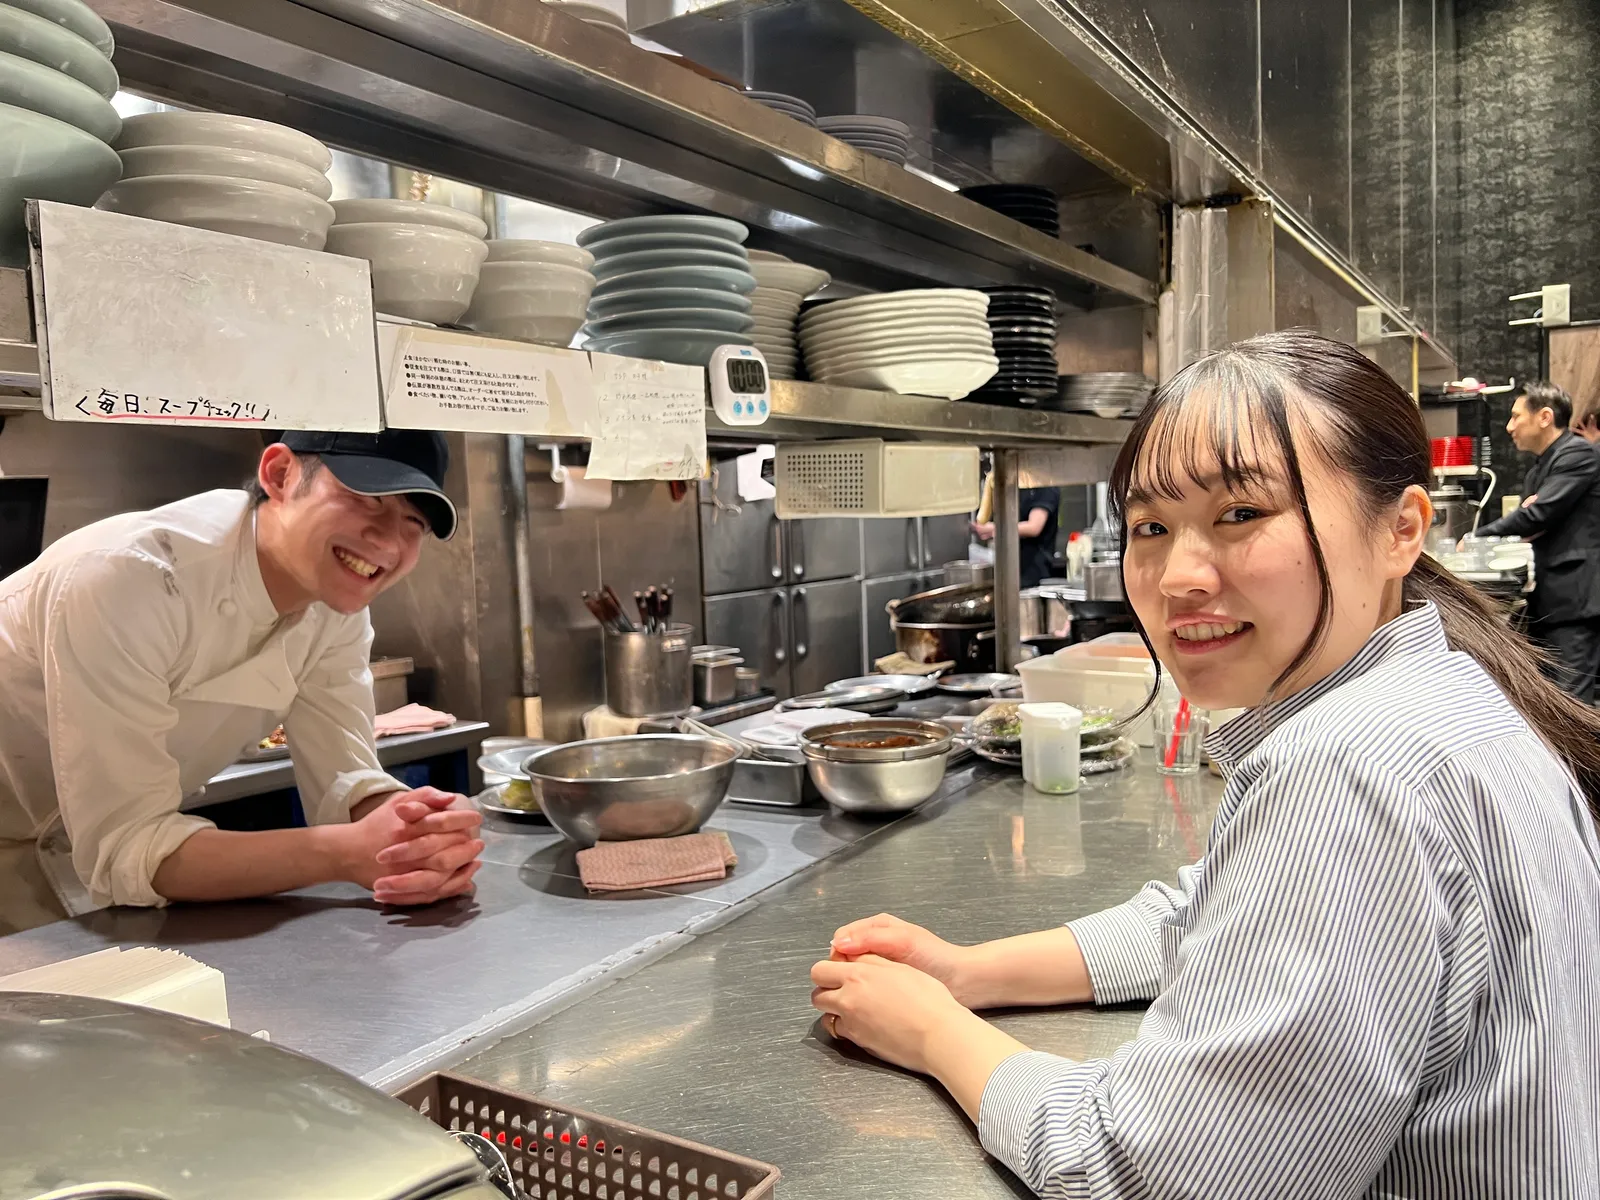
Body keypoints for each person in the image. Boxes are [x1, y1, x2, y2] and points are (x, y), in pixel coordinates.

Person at [810, 331, 1600, 1196]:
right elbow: (1222, 909)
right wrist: (968, 973)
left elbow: (1155, 1173)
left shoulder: (1351, 772)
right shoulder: (1442, 690)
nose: (1179, 575)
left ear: (1400, 530)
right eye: (1151, 527)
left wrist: (933, 1033)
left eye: (1240, 515)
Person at [0, 429, 485, 934]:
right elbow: (126, 845)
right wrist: (345, 853)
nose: (388, 541)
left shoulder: (334, 608)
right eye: (365, 499)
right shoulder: (129, 577)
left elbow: (346, 777)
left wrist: (415, 826)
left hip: (87, 863)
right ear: (279, 474)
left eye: (413, 522)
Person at [1475, 381, 1600, 701]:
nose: (1509, 426)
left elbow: (1539, 514)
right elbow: (1533, 519)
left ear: (1544, 417)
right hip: (1553, 596)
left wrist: (1479, 536)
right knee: (1552, 699)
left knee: (1571, 701)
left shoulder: (1577, 453)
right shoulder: (1541, 467)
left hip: (1576, 597)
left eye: (1516, 416)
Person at [971, 486, 1060, 588]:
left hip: (1034, 573)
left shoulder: (1046, 487)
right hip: (1010, 571)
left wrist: (995, 528)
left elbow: (1034, 527)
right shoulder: (1018, 486)